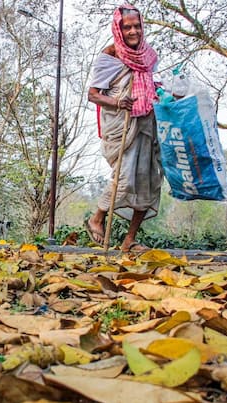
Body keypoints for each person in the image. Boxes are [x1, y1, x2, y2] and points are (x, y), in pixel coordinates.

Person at [84, 4, 162, 253]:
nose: (133, 31)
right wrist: (118, 102)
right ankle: (97, 217)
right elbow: (93, 95)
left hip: (145, 124)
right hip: (121, 125)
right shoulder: (109, 54)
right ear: (119, 29)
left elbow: (150, 85)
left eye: (137, 26)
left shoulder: (149, 55)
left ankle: (129, 240)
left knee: (148, 180)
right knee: (125, 178)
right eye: (127, 27)